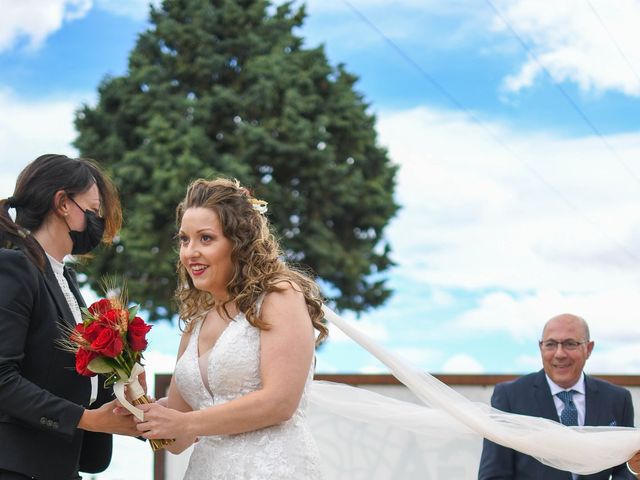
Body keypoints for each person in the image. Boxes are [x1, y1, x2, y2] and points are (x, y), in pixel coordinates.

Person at [134, 178, 328, 479]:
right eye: (184, 240)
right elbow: (177, 440)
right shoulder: (195, 324)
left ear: (239, 243)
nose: (190, 252)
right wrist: (135, 400)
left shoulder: (279, 296)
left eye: (206, 238)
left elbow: (280, 402)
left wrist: (187, 424)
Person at [0, 154, 140, 480]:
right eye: (91, 211)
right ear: (63, 203)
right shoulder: (14, 266)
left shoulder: (64, 278)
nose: (98, 223)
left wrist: (125, 384)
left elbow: (71, 375)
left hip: (60, 466)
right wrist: (86, 419)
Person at [478, 313, 635, 480]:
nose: (559, 354)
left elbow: (624, 470)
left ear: (589, 349)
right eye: (551, 344)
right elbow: (493, 474)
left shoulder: (618, 399)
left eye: (570, 344)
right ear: (541, 348)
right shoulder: (509, 397)